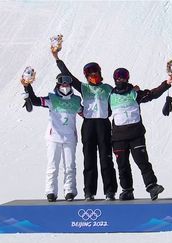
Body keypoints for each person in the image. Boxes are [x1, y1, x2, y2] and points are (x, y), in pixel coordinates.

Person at [51, 49, 118, 201]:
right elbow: (67, 73)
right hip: (88, 125)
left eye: (95, 73)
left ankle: (110, 191)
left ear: (100, 73)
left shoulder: (108, 88)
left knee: (106, 158)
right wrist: (56, 57)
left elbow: (122, 92)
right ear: (86, 76)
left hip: (103, 124)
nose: (93, 76)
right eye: (89, 74)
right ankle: (89, 192)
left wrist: (134, 90)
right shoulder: (83, 87)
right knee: (89, 159)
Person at [108, 67, 172, 200]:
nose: (120, 80)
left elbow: (152, 94)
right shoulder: (110, 95)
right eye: (118, 77)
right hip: (118, 138)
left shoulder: (135, 93)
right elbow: (103, 111)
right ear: (114, 79)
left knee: (142, 162)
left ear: (127, 78)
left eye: (123, 77)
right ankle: (127, 190)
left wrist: (167, 83)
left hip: (136, 135)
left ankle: (152, 186)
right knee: (122, 165)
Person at [21, 73, 82, 202]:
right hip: (54, 136)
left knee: (70, 166)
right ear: (58, 84)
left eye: (67, 82)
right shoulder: (52, 98)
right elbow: (36, 100)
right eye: (62, 82)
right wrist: (27, 86)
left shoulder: (76, 100)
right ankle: (51, 191)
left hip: (70, 137)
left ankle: (70, 191)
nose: (64, 85)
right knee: (53, 166)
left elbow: (86, 113)